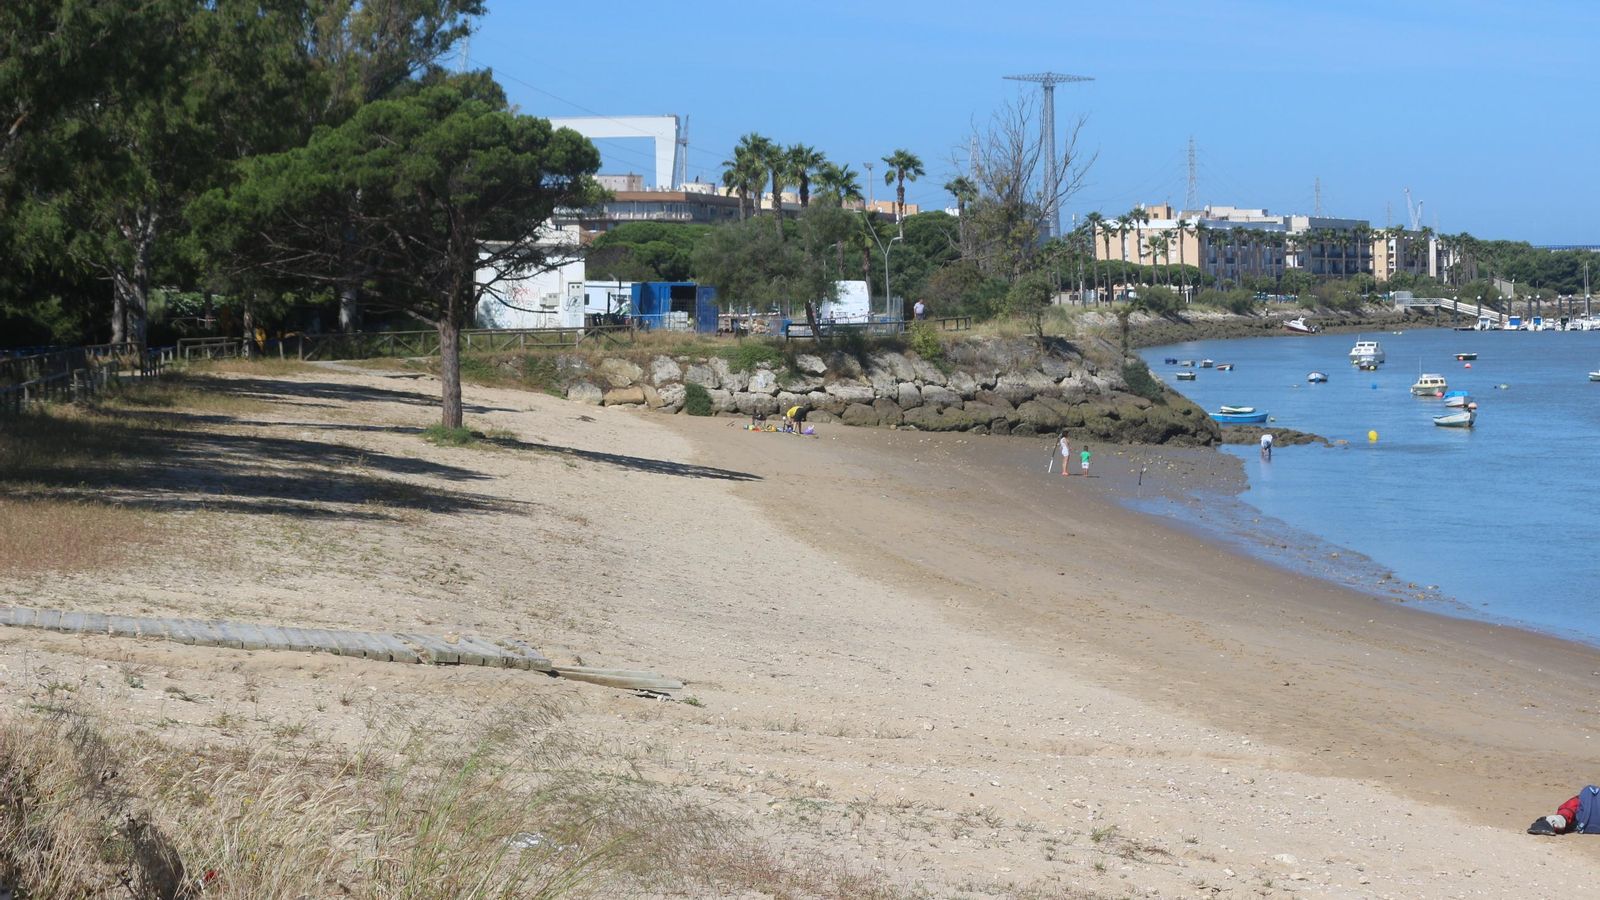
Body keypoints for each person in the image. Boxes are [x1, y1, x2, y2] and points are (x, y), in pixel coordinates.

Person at [1529, 785, 1600, 835]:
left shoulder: (1580, 799)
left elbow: (1567, 810)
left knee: (1565, 814)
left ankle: (1551, 822)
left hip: (1578, 821)